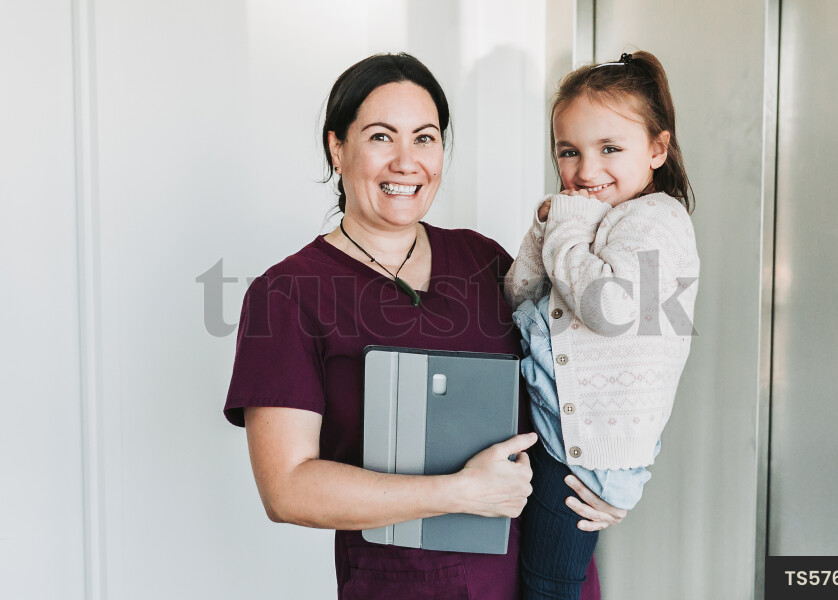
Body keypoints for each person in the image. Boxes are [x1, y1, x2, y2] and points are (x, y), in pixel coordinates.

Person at [223, 53, 612, 600]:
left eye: (425, 138)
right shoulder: (286, 295)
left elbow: (567, 386)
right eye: (382, 137)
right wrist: (458, 492)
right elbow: (287, 489)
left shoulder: (485, 260)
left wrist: (609, 482)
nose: (407, 162)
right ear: (338, 149)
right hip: (408, 585)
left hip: (549, 573)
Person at [504, 51, 700, 599]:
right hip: (560, 433)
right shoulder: (584, 216)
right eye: (570, 152)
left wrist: (567, 227)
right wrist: (546, 228)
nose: (586, 172)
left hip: (586, 456)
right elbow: (516, 293)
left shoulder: (656, 220)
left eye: (610, 148)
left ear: (657, 149)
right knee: (531, 576)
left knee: (548, 585)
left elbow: (608, 309)